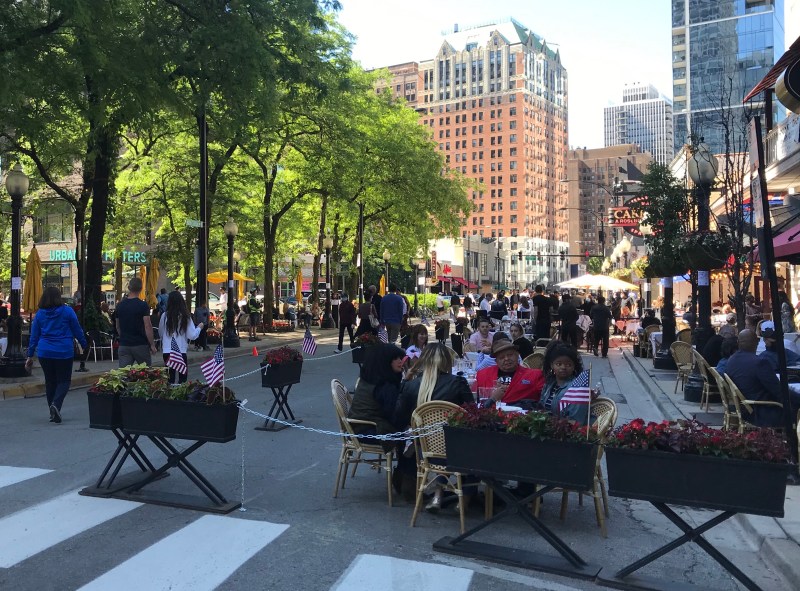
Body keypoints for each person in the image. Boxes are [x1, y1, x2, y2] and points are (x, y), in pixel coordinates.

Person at [394, 343, 474, 511]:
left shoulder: (411, 386)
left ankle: (438, 493)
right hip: (456, 450)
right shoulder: (458, 383)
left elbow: (400, 417)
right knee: (477, 447)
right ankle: (465, 497)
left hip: (424, 451)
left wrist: (404, 383)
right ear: (447, 361)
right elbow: (472, 416)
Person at [25, 287, 87, 423]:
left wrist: (30, 354)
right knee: (64, 381)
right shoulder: (68, 311)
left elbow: (34, 336)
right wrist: (84, 344)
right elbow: (77, 330)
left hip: (45, 351)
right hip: (64, 351)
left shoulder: (40, 314)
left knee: (50, 381)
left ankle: (52, 411)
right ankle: (56, 405)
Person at [726, 329, 783, 427]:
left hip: (745, 409)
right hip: (763, 411)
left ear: (738, 342)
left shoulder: (732, 360)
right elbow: (778, 391)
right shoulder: (760, 362)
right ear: (756, 343)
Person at [347, 343, 406, 440]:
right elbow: (392, 414)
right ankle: (404, 454)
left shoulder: (371, 377)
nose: (400, 361)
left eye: (400, 358)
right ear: (386, 362)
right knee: (412, 435)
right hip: (368, 431)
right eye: (396, 359)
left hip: (355, 427)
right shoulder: (386, 385)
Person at [537, 343, 594, 426]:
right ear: (552, 365)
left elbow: (576, 422)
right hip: (547, 427)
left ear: (574, 366)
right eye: (559, 364)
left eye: (568, 365)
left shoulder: (577, 389)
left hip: (568, 433)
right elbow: (541, 407)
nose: (563, 367)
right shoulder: (549, 383)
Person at [474, 339, 544, 405]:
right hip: (491, 414)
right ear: (496, 361)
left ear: (517, 356)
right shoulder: (483, 375)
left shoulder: (534, 375)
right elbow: (473, 401)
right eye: (501, 357)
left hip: (521, 415)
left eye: (510, 355)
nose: (506, 359)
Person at [159, 291, 202, 384]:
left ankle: (170, 397)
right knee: (182, 380)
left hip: (167, 350)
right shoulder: (185, 316)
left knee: (169, 379)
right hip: (181, 350)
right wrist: (199, 328)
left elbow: (161, 332)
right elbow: (192, 335)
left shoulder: (164, 316)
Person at [115, 277, 157, 367]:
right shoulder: (143, 305)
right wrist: (152, 344)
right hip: (140, 344)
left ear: (129, 288)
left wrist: (123, 336)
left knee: (124, 374)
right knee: (145, 374)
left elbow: (117, 326)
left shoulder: (120, 305)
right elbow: (147, 326)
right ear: (141, 289)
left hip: (124, 345)